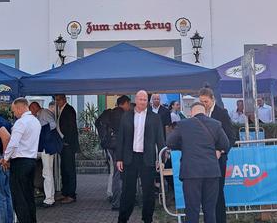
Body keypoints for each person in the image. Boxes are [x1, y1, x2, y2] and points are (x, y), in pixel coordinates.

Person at [166, 102, 230, 223]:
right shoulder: (216, 124)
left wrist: (184, 146)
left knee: (192, 210)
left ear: (191, 112)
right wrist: (217, 150)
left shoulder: (183, 124)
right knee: (210, 210)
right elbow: (225, 144)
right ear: (205, 111)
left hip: (191, 173)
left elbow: (170, 142)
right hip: (211, 172)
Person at [116, 90, 164, 223]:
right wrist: (119, 158)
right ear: (135, 100)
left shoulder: (155, 118)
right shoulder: (126, 116)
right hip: (129, 158)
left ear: (147, 101)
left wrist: (161, 159)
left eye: (145, 100)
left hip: (147, 158)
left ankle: (147, 219)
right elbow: (121, 138)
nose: (143, 102)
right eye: (140, 99)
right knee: (127, 191)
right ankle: (123, 218)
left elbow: (160, 139)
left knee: (148, 192)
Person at [0, 98, 41, 223]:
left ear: (19, 108)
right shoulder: (36, 121)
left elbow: (13, 143)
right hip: (31, 161)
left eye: (14, 111)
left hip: (20, 162)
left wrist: (5, 158)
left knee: (19, 197)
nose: (14, 114)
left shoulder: (21, 122)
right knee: (29, 196)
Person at [198, 87, 236, 223]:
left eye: (206, 102)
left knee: (218, 192)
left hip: (218, 161)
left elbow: (231, 137)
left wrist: (221, 151)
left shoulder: (222, 113)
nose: (204, 105)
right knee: (205, 193)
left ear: (212, 99)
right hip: (203, 161)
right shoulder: (199, 114)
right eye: (201, 102)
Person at [96, 96, 130, 207]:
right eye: (128, 104)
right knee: (118, 174)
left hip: (110, 146)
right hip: (118, 148)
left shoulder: (110, 113)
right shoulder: (122, 115)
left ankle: (116, 199)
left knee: (115, 172)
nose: (129, 107)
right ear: (125, 103)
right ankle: (118, 202)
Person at [29, 101, 60, 208]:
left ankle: (49, 199)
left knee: (47, 173)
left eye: (30, 110)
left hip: (47, 147)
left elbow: (53, 125)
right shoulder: (42, 113)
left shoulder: (44, 113)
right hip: (46, 147)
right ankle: (49, 197)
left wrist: (43, 134)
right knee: (47, 172)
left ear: (34, 108)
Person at [55, 94, 79, 204]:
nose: (57, 102)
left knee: (69, 169)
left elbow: (71, 127)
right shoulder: (62, 110)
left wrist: (67, 141)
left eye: (59, 100)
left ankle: (71, 194)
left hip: (68, 144)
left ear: (64, 99)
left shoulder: (69, 110)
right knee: (64, 168)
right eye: (56, 100)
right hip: (63, 144)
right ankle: (65, 192)